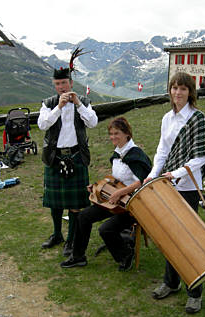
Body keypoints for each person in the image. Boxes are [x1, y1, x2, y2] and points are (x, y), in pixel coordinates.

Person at [144, 72, 205, 314]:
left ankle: (195, 292)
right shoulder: (167, 118)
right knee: (170, 236)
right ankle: (171, 283)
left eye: (183, 88)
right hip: (167, 184)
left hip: (188, 187)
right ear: (170, 91)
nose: (178, 92)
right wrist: (153, 174)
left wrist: (177, 173)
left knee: (188, 239)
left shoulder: (197, 118)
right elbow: (162, 150)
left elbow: (201, 156)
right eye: (174, 88)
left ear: (190, 92)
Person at [60, 117, 152, 271]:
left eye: (117, 133)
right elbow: (116, 180)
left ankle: (125, 255)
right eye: (111, 133)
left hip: (133, 205)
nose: (113, 137)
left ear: (127, 134)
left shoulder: (136, 155)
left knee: (106, 229)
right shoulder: (117, 153)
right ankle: (78, 257)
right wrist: (97, 187)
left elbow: (143, 182)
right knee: (83, 217)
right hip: (115, 201)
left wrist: (120, 193)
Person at [38, 47, 98, 257]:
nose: (61, 87)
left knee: (74, 204)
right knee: (55, 203)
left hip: (76, 156)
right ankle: (57, 234)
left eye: (64, 83)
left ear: (71, 83)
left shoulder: (83, 102)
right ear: (54, 85)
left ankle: (71, 240)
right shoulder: (48, 103)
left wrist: (78, 104)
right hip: (55, 157)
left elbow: (92, 122)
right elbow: (42, 125)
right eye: (57, 84)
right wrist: (58, 108)